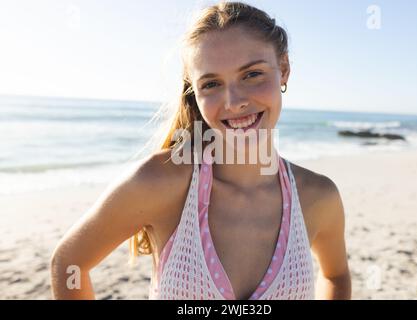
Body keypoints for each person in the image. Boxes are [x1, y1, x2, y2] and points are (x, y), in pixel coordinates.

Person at [51, 1, 351, 300]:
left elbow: (336, 276)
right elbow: (69, 264)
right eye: (211, 84)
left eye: (252, 75)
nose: (234, 102)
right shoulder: (162, 182)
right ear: (194, 91)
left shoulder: (317, 197)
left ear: (283, 69)